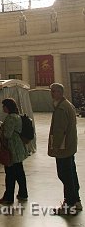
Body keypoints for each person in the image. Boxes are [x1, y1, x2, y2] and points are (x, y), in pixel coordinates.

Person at [48, 83, 81, 215]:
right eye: (51, 91)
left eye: (54, 91)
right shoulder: (68, 105)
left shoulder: (62, 108)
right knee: (71, 174)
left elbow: (59, 131)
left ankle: (69, 204)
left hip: (63, 148)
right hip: (70, 146)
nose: (52, 94)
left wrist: (55, 147)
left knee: (65, 175)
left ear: (60, 92)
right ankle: (76, 201)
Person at [0, 98, 28, 205]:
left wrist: (0, 128)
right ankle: (23, 193)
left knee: (10, 174)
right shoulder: (17, 116)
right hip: (19, 147)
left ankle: (8, 197)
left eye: (4, 106)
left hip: (12, 149)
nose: (3, 108)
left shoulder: (10, 118)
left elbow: (7, 134)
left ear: (7, 107)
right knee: (20, 172)